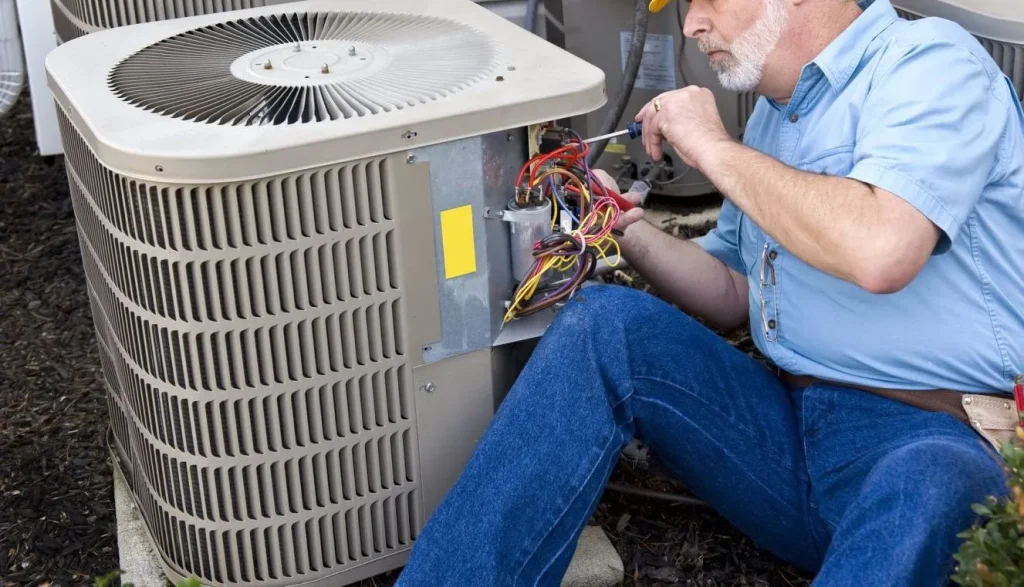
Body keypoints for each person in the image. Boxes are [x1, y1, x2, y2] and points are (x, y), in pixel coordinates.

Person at [396, 0, 1024, 584]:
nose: (693, 24)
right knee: (605, 325)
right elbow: (733, 291)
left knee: (935, 479)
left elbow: (883, 248)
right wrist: (625, 233)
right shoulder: (775, 120)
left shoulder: (930, 64)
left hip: (936, 433)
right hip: (787, 432)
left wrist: (712, 146)